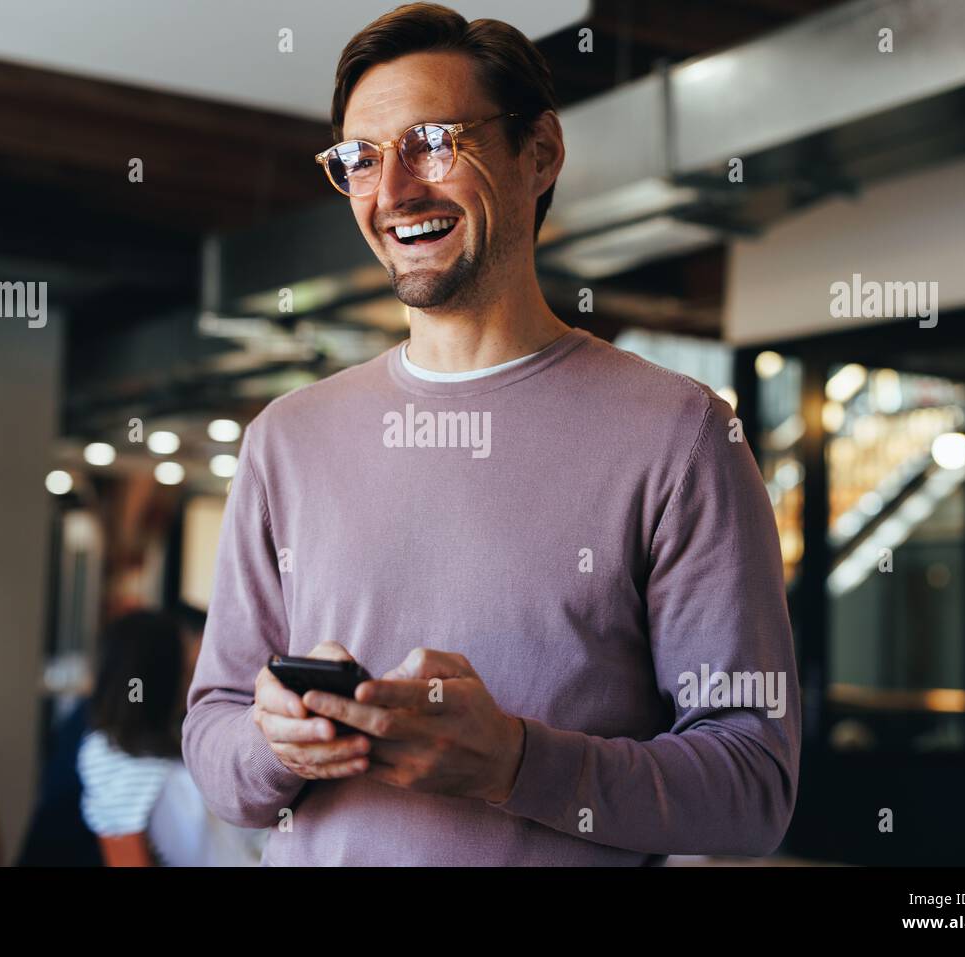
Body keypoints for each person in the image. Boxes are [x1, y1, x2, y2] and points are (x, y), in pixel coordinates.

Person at [183, 2, 800, 866]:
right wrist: (274, 744)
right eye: (362, 159)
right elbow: (214, 745)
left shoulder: (684, 434)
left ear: (538, 152)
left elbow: (752, 790)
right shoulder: (287, 438)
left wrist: (516, 762)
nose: (394, 192)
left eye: (433, 140)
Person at [78, 610, 267, 866]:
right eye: (186, 668)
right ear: (163, 679)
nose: (192, 677)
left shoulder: (100, 748)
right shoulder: (171, 779)